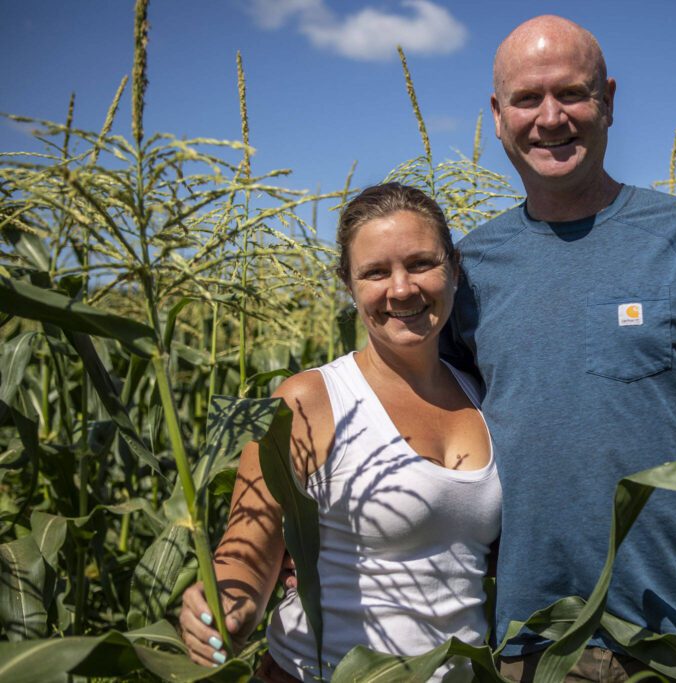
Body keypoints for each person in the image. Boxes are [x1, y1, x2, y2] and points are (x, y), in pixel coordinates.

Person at [440, 15, 676, 680]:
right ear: (498, 116)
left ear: (610, 101)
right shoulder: (466, 270)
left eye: (573, 94)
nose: (551, 117)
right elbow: (407, 430)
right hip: (527, 646)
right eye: (528, 100)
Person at [178, 183, 501, 682]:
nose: (401, 289)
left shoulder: (482, 392)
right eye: (375, 272)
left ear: (454, 269)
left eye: (420, 264)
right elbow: (244, 553)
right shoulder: (304, 401)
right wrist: (224, 606)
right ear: (348, 285)